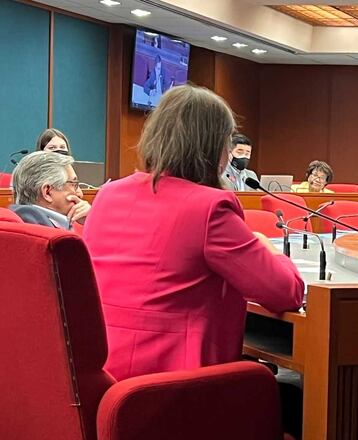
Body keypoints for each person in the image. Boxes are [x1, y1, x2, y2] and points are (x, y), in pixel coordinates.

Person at [82, 85, 304, 383]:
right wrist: (273, 251)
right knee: (291, 391)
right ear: (215, 148)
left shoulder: (107, 195)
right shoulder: (210, 207)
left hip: (101, 376)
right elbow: (285, 292)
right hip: (175, 387)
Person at [9, 151, 90, 229]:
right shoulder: (54, 238)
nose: (80, 194)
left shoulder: (18, 220)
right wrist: (94, 223)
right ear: (47, 192)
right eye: (74, 185)